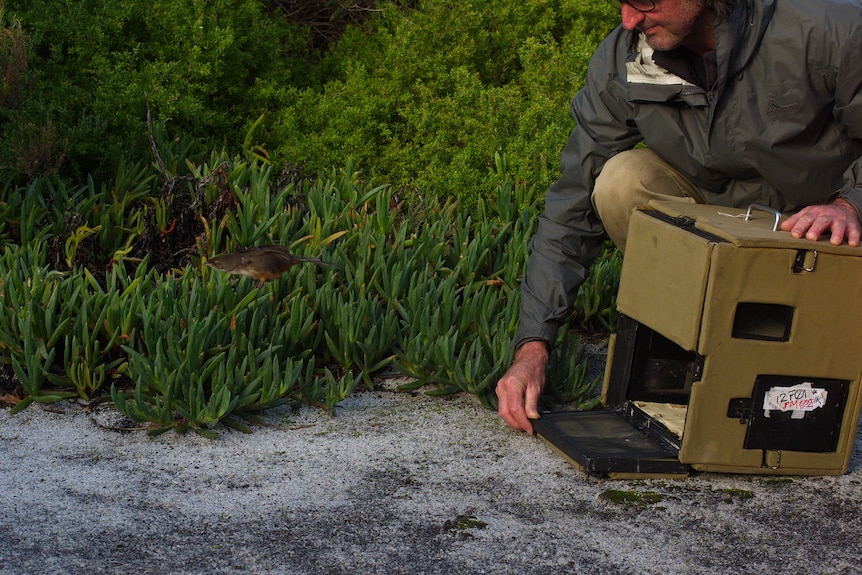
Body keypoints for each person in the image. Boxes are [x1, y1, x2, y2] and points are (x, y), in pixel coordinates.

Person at [496, 0, 862, 433]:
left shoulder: (830, 29)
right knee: (619, 180)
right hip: (717, 227)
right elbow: (571, 204)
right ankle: (700, 353)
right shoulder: (625, 57)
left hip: (819, 234)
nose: (629, 20)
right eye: (623, 3)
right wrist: (532, 349)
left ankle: (808, 348)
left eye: (645, 2)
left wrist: (850, 205)